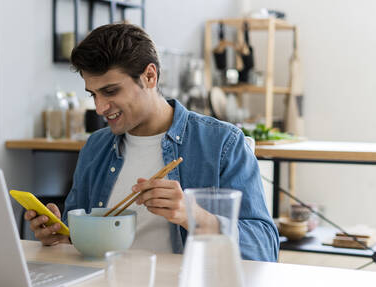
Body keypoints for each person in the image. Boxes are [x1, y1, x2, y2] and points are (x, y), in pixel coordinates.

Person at [24, 23, 279, 261]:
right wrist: (61, 235)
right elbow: (76, 239)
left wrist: (192, 215)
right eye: (93, 94)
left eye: (111, 91)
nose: (100, 108)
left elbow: (264, 248)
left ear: (149, 76)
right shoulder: (96, 147)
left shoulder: (222, 143)